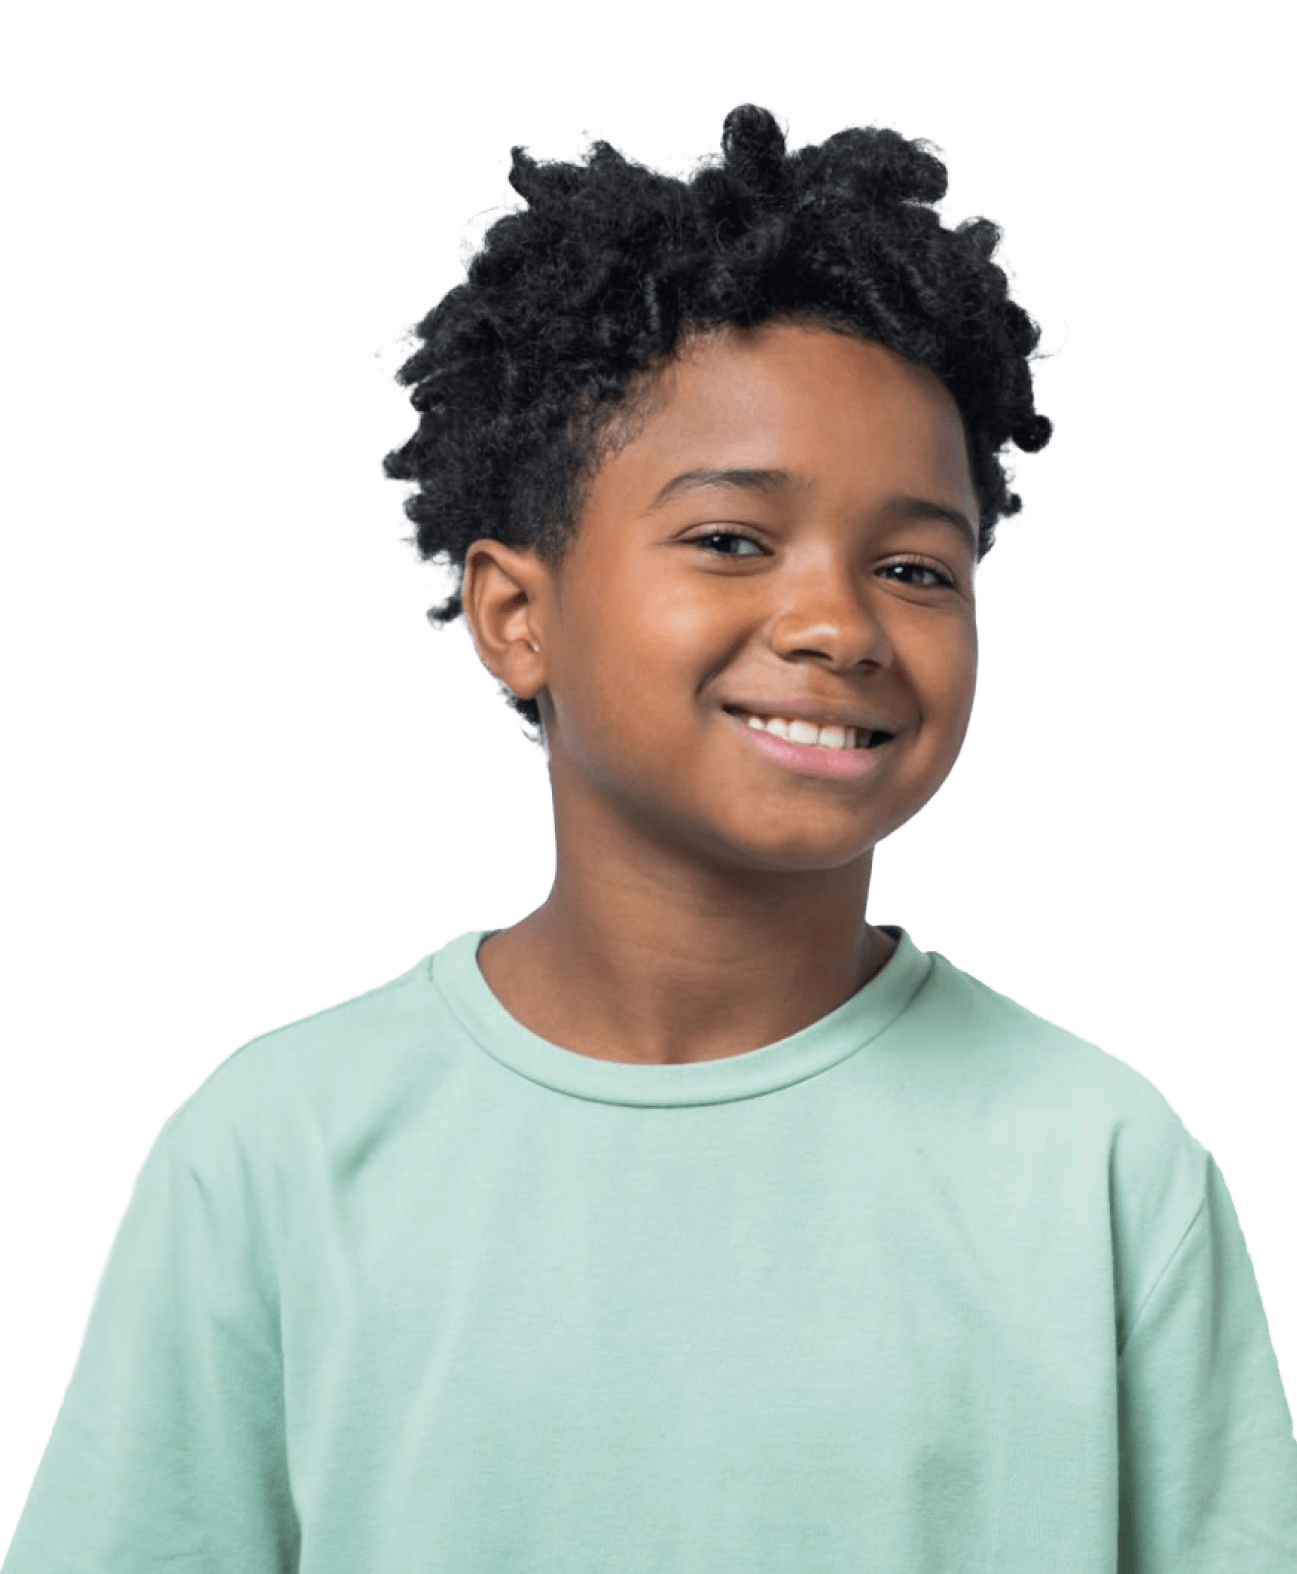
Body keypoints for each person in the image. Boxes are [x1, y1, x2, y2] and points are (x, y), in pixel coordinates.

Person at [6, 97, 1294, 1571]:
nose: (837, 622)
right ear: (516, 611)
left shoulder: (1108, 1169)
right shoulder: (277, 1151)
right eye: (733, 538)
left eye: (916, 565)